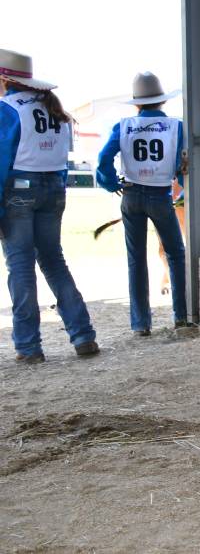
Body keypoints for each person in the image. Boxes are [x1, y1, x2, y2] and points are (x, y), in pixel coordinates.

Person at [0, 49, 101, 363]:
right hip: (53, 188)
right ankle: (83, 335)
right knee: (54, 262)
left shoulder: (7, 108)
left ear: (5, 79)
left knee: (20, 265)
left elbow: (2, 157)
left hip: (19, 188)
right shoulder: (54, 109)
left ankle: (29, 346)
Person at [96, 72, 190, 335]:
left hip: (131, 194)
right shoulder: (176, 126)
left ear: (136, 103)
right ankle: (181, 316)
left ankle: (140, 324)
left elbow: (104, 159)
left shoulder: (123, 126)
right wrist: (183, 188)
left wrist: (110, 183)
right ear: (161, 101)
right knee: (176, 254)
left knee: (135, 258)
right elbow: (183, 164)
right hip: (160, 195)